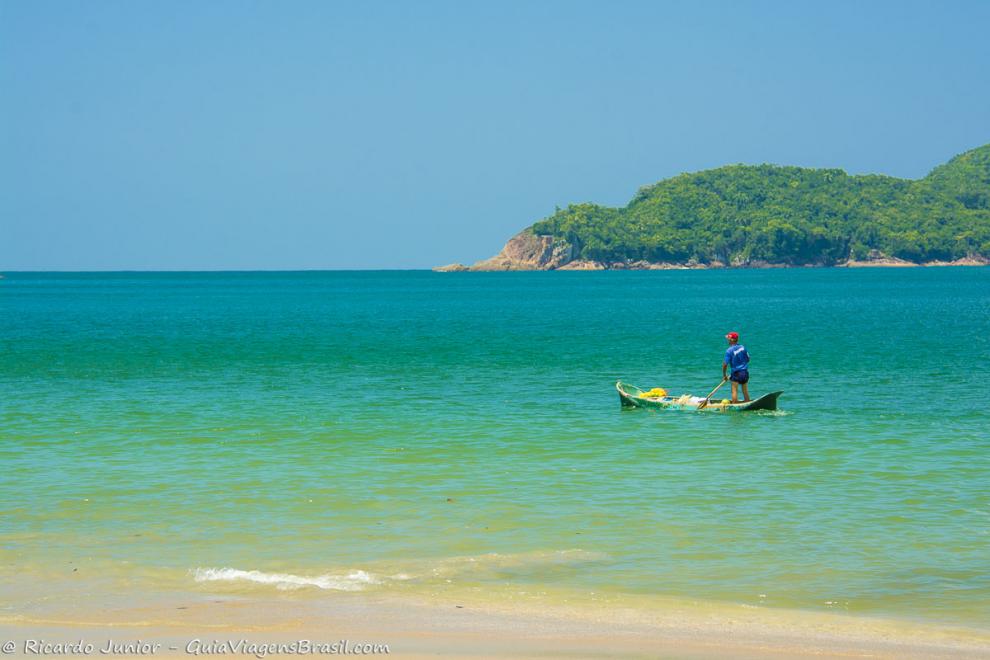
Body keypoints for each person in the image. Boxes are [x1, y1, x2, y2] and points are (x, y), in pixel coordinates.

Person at [722, 332, 750, 403]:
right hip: (745, 372)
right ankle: (747, 402)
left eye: (728, 338)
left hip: (736, 373)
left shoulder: (729, 350)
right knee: (745, 391)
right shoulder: (742, 347)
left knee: (734, 391)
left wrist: (724, 375)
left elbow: (725, 364)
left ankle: (735, 404)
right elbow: (748, 359)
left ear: (731, 339)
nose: (727, 340)